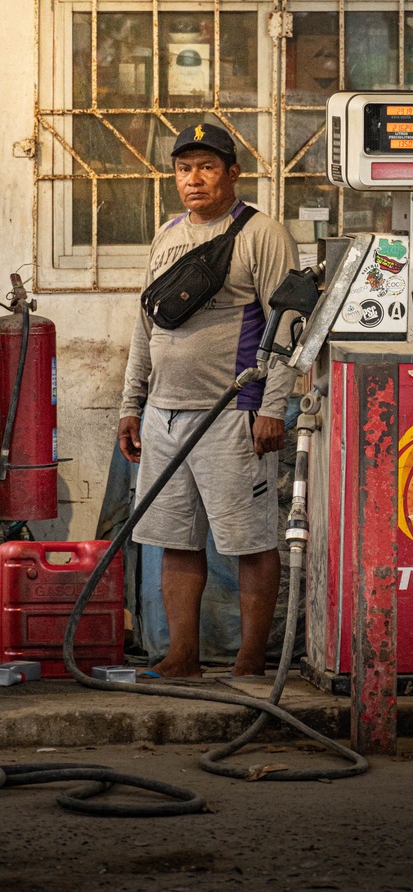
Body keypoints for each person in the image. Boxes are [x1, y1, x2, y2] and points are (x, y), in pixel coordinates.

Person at [118, 122, 299, 678]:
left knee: (248, 540)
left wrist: (272, 407)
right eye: (183, 168)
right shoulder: (168, 233)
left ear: (232, 173)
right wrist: (132, 403)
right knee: (174, 538)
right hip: (163, 413)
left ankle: (249, 661)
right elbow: (146, 325)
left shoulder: (261, 233)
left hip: (233, 413)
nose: (193, 179)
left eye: (207, 167)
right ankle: (183, 655)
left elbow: (288, 323)